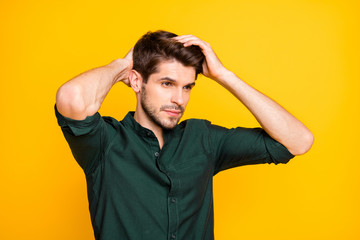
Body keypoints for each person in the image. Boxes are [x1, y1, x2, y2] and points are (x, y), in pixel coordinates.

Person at [55, 30, 314, 240]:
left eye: (188, 87)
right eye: (167, 84)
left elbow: (299, 141)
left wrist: (225, 76)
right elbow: (71, 98)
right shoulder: (104, 142)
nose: (179, 99)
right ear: (136, 81)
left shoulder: (203, 139)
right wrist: (122, 66)